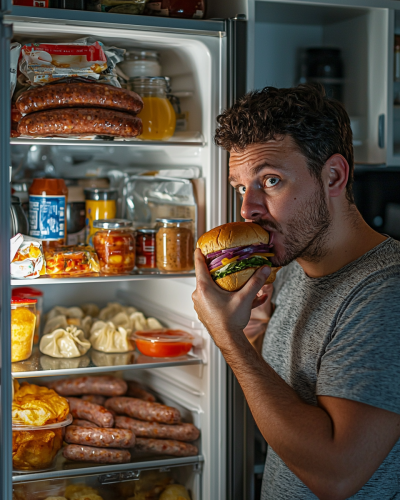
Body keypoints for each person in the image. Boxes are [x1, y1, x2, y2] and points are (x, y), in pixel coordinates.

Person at [192, 84, 400, 499]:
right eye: (240, 186)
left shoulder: (385, 292)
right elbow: (291, 402)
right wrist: (250, 331)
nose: (248, 207)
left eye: (270, 180)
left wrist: (228, 339)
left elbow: (337, 474)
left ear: (334, 176)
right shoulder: (290, 267)